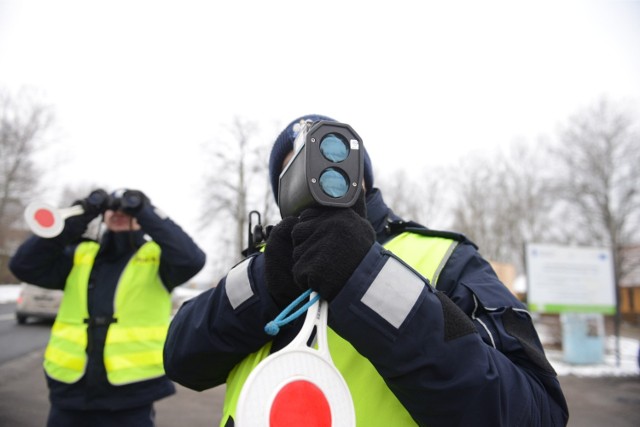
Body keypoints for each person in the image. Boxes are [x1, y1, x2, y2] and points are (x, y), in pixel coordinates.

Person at [163, 115, 569, 426]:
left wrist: (365, 277)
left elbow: (536, 411)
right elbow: (182, 357)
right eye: (295, 169)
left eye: (328, 160)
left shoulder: (445, 258)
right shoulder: (263, 264)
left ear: (359, 175)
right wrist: (267, 281)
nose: (313, 178)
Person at [10, 188, 206, 427]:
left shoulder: (158, 259)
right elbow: (24, 265)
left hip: (130, 395)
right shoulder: (80, 254)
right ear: (102, 215)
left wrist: (144, 210)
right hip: (70, 390)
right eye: (111, 208)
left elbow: (192, 259)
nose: (118, 212)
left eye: (126, 209)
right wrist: (82, 212)